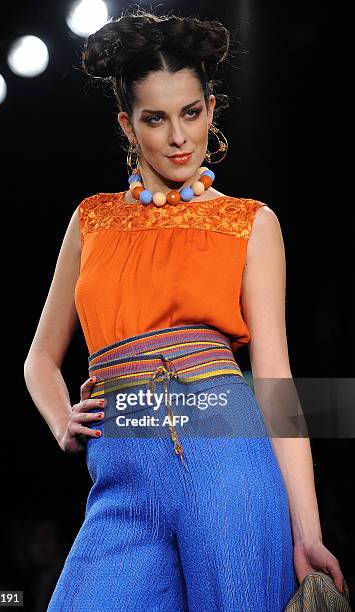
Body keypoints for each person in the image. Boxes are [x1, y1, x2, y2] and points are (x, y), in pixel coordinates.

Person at [24, 8, 346, 611]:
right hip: (120, 473)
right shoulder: (91, 219)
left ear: (211, 111)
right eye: (155, 118)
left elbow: (275, 380)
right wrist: (60, 419)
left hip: (229, 460)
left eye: (191, 113)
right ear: (127, 124)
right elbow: (40, 358)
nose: (178, 137)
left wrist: (309, 532)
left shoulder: (250, 222)